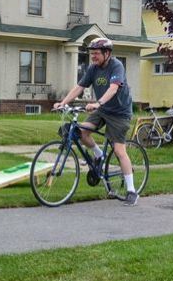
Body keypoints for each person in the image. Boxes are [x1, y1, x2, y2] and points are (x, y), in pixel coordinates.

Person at [53, 37, 139, 206]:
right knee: (81, 132)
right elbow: (79, 87)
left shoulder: (116, 66)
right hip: (102, 110)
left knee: (119, 150)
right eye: (91, 54)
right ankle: (99, 155)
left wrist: (98, 103)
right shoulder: (93, 68)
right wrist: (63, 103)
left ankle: (131, 191)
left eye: (96, 54)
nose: (93, 57)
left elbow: (113, 88)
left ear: (107, 53)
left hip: (119, 113)